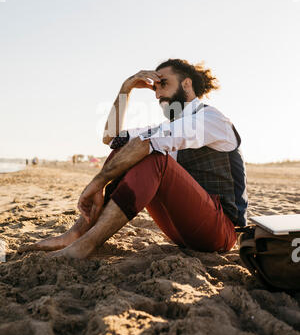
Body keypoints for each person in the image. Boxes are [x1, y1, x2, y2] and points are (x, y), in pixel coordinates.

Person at [18, 59, 248, 259]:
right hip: (182, 232)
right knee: (128, 149)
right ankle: (77, 234)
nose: (158, 95)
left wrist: (97, 184)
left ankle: (86, 244)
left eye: (163, 84)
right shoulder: (169, 127)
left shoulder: (211, 118)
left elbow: (146, 145)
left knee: (151, 155)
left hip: (220, 232)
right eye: (155, 89)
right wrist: (125, 89)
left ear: (186, 83)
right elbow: (112, 137)